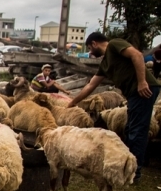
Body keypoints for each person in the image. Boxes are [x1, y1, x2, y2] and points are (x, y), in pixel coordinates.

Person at [68, 32, 160, 182]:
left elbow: (136, 55)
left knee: (137, 130)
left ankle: (134, 172)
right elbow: (91, 85)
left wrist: (142, 81)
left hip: (144, 90)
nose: (90, 52)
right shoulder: (105, 64)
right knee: (130, 129)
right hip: (133, 94)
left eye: (90, 49)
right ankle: (129, 166)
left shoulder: (114, 44)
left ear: (94, 43)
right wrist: (73, 102)